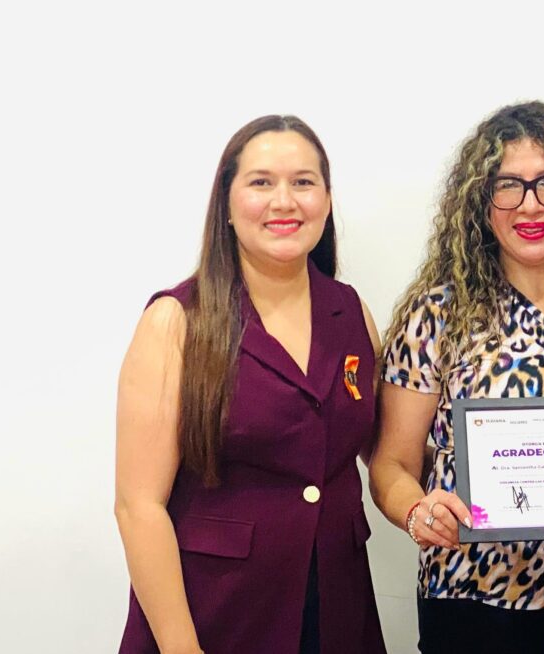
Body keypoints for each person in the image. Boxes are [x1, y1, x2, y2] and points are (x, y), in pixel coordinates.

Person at [368, 101, 544, 653]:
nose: (531, 204)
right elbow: (391, 464)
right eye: (508, 186)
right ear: (481, 201)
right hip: (469, 602)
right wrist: (419, 513)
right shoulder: (438, 315)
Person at [115, 115, 386, 654]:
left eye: (303, 182)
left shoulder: (351, 311)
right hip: (216, 614)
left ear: (327, 200)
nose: (284, 201)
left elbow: (381, 446)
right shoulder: (178, 320)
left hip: (337, 608)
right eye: (261, 182)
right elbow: (138, 506)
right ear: (227, 202)